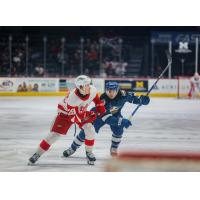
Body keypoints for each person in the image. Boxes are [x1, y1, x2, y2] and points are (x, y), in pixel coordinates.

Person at [28, 75, 106, 165]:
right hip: (65, 114)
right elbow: (76, 116)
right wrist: (91, 115)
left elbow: (95, 98)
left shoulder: (92, 89)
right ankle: (37, 153)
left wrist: (100, 107)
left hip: (79, 112)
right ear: (80, 87)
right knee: (54, 135)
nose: (90, 86)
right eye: (87, 85)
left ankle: (89, 152)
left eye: (89, 84)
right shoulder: (73, 99)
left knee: (90, 129)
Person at [63, 81, 150, 157]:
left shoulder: (123, 94)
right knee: (86, 132)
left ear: (117, 90)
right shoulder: (103, 99)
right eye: (108, 91)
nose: (110, 93)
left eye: (113, 91)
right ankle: (72, 148)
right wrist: (121, 121)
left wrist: (142, 100)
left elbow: (134, 99)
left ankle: (114, 148)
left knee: (119, 130)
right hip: (99, 116)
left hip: (115, 114)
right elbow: (106, 117)